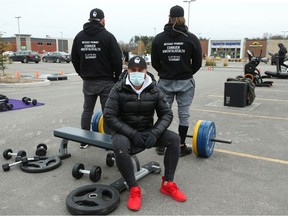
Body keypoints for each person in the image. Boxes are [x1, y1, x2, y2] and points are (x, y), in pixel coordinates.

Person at [103, 56, 187, 211]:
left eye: (140, 70)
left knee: (174, 139)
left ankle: (168, 184)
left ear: (145, 71)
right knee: (119, 144)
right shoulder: (118, 88)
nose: (136, 73)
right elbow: (109, 115)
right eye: (133, 70)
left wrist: (155, 133)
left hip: (147, 132)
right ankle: (134, 189)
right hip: (125, 133)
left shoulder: (154, 89)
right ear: (127, 70)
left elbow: (167, 114)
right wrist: (132, 134)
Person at [151, 5, 202, 157]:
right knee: (184, 114)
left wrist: (165, 72)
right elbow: (198, 62)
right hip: (185, 82)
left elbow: (155, 62)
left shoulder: (159, 39)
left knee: (163, 113)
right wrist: (185, 72)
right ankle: (180, 146)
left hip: (165, 81)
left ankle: (160, 144)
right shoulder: (191, 38)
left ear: (169, 17)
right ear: (183, 17)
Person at [71, 8, 122, 148]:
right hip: (106, 81)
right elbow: (117, 59)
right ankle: (107, 141)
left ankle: (83, 140)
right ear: (102, 20)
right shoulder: (108, 36)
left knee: (87, 110)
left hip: (88, 81)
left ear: (89, 20)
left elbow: (74, 59)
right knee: (108, 112)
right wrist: (116, 78)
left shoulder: (79, 36)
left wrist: (83, 74)